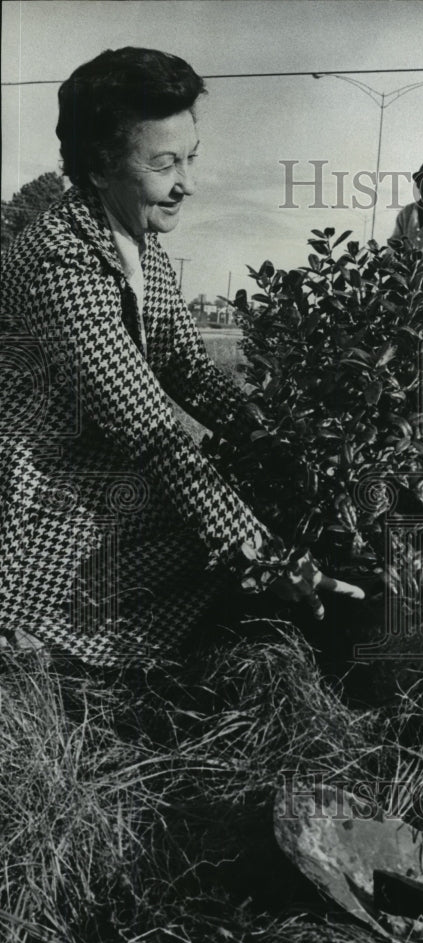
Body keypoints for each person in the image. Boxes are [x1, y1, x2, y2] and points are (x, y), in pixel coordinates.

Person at [0, 47, 362, 669]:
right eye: (164, 163)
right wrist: (264, 555)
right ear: (99, 165)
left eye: (191, 158)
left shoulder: (143, 252)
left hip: (92, 479)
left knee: (231, 511)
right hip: (35, 500)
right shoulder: (59, 260)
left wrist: (284, 443)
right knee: (205, 532)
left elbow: (190, 372)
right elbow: (151, 432)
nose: (186, 183)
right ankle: (35, 642)